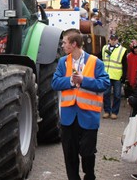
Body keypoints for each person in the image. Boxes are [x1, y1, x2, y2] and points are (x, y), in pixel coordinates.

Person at [52, 28, 110, 180]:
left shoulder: (95, 62)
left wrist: (84, 80)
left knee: (87, 153)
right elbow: (55, 82)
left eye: (65, 42)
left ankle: (89, 176)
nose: (62, 45)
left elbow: (104, 83)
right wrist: (71, 81)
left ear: (74, 44)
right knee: (69, 154)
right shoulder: (63, 62)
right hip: (68, 117)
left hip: (88, 116)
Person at [101, 34, 127, 119]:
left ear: (117, 40)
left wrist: (124, 76)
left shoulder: (122, 50)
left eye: (114, 39)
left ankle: (115, 112)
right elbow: (101, 61)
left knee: (117, 95)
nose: (113, 41)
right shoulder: (105, 48)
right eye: (111, 39)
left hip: (117, 76)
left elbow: (125, 64)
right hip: (106, 75)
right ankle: (107, 111)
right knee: (106, 94)